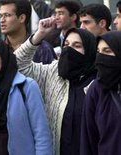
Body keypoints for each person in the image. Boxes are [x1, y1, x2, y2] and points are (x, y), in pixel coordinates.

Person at [14, 17, 97, 155]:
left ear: (89, 50)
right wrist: (39, 35)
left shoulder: (97, 81)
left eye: (77, 46)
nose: (69, 50)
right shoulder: (53, 72)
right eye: (66, 45)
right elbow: (17, 64)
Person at [80, 31, 121, 155]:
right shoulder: (96, 90)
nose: (101, 58)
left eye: (107, 51)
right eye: (98, 52)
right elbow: (88, 138)